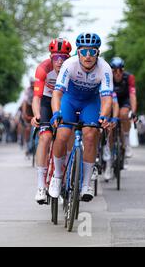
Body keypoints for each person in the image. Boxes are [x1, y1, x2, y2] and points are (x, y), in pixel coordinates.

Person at [49, 32, 113, 202]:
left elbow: (107, 99)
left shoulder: (105, 68)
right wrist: (56, 114)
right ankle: (57, 176)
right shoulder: (69, 65)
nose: (88, 56)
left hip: (90, 103)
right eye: (84, 51)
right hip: (69, 101)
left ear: (97, 53)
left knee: (91, 135)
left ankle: (85, 185)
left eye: (92, 52)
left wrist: (104, 116)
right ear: (78, 52)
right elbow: (57, 93)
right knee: (62, 135)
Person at [32, 37, 72, 204]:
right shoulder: (43, 69)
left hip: (66, 101)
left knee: (68, 135)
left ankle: (67, 177)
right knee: (46, 137)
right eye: (56, 57)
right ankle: (41, 186)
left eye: (64, 58)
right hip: (48, 102)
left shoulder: (72, 69)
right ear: (51, 57)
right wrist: (36, 115)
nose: (60, 61)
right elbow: (37, 98)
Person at [107, 57, 137, 158]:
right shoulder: (108, 77)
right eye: (115, 70)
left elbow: (132, 95)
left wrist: (133, 111)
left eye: (120, 70)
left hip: (124, 100)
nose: (118, 73)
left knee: (123, 114)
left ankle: (127, 143)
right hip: (111, 100)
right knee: (109, 127)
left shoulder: (129, 77)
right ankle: (109, 154)